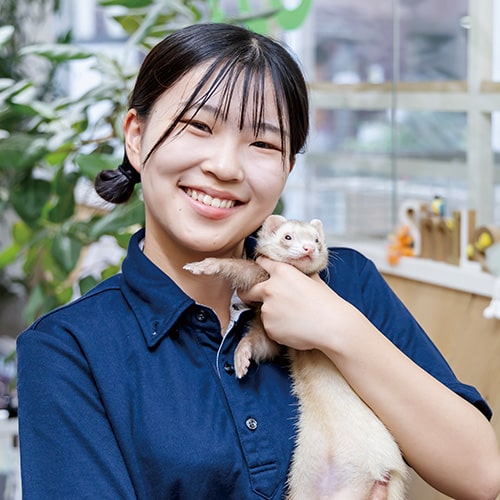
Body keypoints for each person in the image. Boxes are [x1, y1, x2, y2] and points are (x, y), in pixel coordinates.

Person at [16, 22, 500, 500]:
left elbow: (482, 475)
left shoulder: (346, 280)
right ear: (136, 137)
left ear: (287, 168)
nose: (225, 167)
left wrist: (340, 328)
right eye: (199, 126)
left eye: (264, 144)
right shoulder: (68, 350)